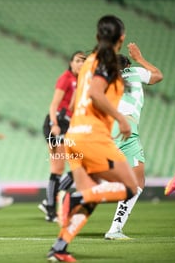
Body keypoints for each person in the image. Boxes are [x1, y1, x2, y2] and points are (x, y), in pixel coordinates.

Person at [46, 15, 139, 262]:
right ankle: (75, 196)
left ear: (98, 37)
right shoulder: (107, 63)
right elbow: (97, 93)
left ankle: (59, 248)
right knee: (129, 188)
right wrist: (120, 118)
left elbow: (77, 102)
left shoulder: (87, 64)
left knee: (93, 196)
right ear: (122, 38)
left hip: (74, 136)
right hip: (94, 137)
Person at [104, 43, 163, 240]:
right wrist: (140, 58)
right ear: (127, 65)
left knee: (134, 180)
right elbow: (157, 75)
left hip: (110, 129)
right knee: (137, 182)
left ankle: (115, 228)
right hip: (126, 129)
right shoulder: (135, 72)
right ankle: (113, 229)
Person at [39, 51, 85, 222]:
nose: (81, 64)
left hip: (69, 125)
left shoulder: (80, 81)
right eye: (78, 61)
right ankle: (51, 210)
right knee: (58, 167)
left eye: (83, 61)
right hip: (56, 123)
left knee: (77, 166)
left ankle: (50, 201)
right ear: (71, 63)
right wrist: (55, 124)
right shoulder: (66, 78)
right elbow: (54, 105)